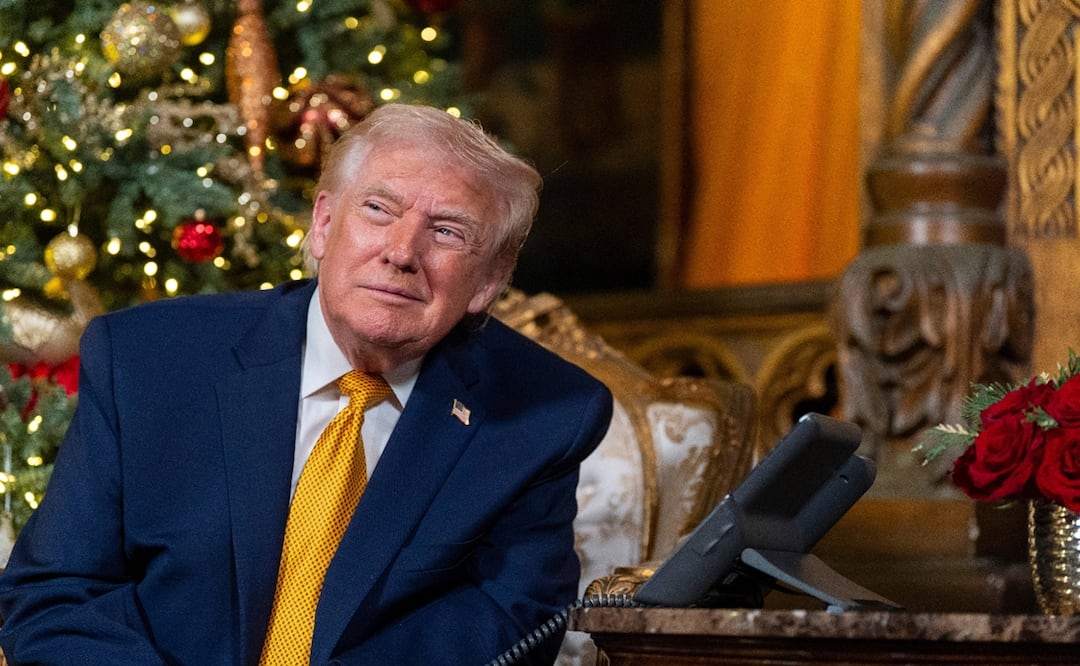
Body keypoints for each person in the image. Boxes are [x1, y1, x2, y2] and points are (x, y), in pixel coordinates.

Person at [0, 103, 613, 665]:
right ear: (322, 224)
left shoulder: (544, 414)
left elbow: (508, 623)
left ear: (489, 280)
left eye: (447, 231)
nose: (402, 252)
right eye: (379, 209)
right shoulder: (148, 360)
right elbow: (58, 595)